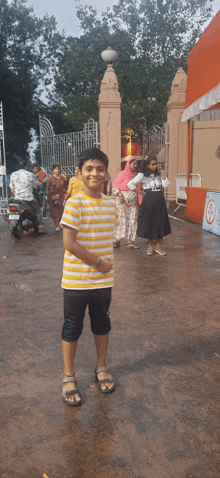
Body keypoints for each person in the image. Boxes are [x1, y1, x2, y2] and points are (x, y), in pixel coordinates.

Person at [60, 148, 119, 407]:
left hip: (103, 282)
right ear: (80, 173)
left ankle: (101, 366)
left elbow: (105, 237)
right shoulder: (74, 203)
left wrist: (103, 267)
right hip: (76, 280)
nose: (95, 173)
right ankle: (68, 376)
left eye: (100, 169)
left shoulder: (111, 203)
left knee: (101, 323)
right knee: (73, 326)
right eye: (89, 169)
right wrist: (98, 263)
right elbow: (69, 243)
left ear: (106, 173)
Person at [127, 155, 171, 256]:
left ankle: (158, 246)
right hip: (148, 199)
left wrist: (162, 173)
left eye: (156, 164)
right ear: (147, 165)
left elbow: (166, 185)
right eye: (153, 164)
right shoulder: (142, 175)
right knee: (150, 222)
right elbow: (130, 184)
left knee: (160, 222)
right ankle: (150, 246)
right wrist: (140, 193)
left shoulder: (159, 174)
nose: (155, 166)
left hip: (159, 198)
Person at [112, 157, 141, 249]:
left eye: (136, 164)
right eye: (134, 164)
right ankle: (116, 240)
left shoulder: (137, 176)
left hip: (133, 204)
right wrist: (119, 195)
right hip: (122, 202)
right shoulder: (121, 174)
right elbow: (115, 186)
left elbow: (139, 189)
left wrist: (140, 202)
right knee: (120, 220)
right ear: (129, 164)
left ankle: (130, 241)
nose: (135, 166)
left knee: (132, 221)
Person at [9, 160, 44, 232]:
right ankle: (40, 228)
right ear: (25, 167)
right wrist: (37, 184)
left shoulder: (13, 174)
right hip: (28, 199)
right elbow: (34, 186)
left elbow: (12, 188)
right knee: (38, 211)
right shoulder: (29, 174)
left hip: (17, 199)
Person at [46, 164, 67, 231]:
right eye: (55, 169)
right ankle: (56, 225)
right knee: (55, 212)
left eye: (58, 169)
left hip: (61, 196)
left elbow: (65, 187)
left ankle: (59, 222)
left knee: (62, 212)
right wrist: (48, 197)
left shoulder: (62, 178)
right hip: (53, 197)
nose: (57, 170)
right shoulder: (50, 178)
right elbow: (47, 188)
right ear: (53, 170)